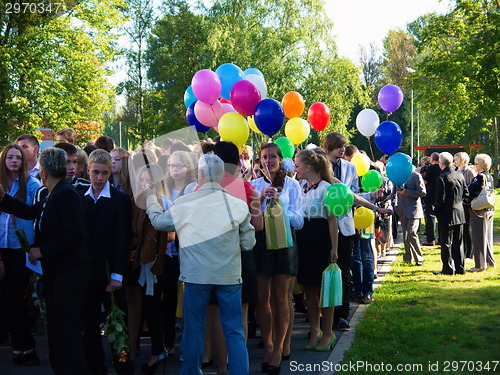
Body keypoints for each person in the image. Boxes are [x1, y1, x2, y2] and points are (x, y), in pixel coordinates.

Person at [145, 154, 255, 375]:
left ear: (200, 174)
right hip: (229, 276)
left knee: (194, 330)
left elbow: (159, 222)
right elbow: (248, 242)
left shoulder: (185, 203)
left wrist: (150, 199)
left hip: (196, 276)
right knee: (234, 331)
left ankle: (191, 371)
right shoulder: (237, 205)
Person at [0, 147, 90, 374]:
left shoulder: (65, 193)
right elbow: (32, 212)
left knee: (66, 328)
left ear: (44, 172)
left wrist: (42, 251)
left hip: (69, 273)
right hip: (57, 272)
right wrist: (3, 199)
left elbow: (74, 234)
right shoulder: (52, 193)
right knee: (58, 326)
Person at [250, 142, 303, 373]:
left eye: (272, 157)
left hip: (284, 242)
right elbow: (248, 220)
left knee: (281, 298)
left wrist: (279, 204)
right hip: (261, 244)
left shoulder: (292, 185)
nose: (268, 161)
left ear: (280, 159)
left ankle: (279, 348)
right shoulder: (253, 185)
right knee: (262, 298)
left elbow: (299, 220)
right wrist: (260, 199)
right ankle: (268, 343)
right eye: (264, 157)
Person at [321, 133, 381, 331]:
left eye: (344, 146)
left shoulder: (350, 168)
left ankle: (342, 314)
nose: (343, 150)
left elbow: (353, 195)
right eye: (339, 146)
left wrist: (370, 196)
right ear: (330, 147)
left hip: (345, 226)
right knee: (324, 272)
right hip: (323, 225)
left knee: (344, 271)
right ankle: (324, 314)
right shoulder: (320, 166)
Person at [81, 149, 131, 375]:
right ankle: (95, 367)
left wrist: (118, 274)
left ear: (111, 173)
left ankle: (122, 365)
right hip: (87, 272)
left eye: (103, 173)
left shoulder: (120, 200)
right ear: (88, 171)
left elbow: (123, 239)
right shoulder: (80, 196)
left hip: (111, 271)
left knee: (117, 323)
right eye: (95, 172)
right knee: (89, 323)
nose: (99, 178)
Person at [0, 143, 42, 365]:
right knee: (7, 299)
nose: (14, 160)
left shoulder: (32, 185)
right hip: (2, 248)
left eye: (18, 157)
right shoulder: (1, 184)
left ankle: (25, 346)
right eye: (10, 157)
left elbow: (34, 214)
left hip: (21, 249)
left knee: (16, 298)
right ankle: (20, 347)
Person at [294, 149, 338, 351]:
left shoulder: (326, 188)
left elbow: (331, 219)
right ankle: (314, 330)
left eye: (298, 165)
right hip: (303, 239)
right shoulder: (301, 186)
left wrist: (334, 247)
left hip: (320, 238)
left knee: (323, 289)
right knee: (308, 289)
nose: (295, 169)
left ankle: (328, 332)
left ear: (308, 166)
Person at [132, 164, 172, 373]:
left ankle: (158, 351)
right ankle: (139, 349)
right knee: (141, 308)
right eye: (142, 180)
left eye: (150, 181)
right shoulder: (135, 202)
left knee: (154, 308)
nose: (146, 185)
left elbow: (171, 234)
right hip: (138, 263)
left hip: (158, 263)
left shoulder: (164, 202)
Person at [433, 152, 468, 275]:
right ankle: (460, 268)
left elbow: (440, 199)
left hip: (446, 213)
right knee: (459, 242)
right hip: (459, 212)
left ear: (440, 163)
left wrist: (436, 211)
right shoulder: (459, 175)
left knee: (446, 243)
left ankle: (447, 269)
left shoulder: (442, 178)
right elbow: (466, 194)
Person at [465, 154, 495, 272]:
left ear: (480, 164)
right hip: (489, 208)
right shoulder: (490, 176)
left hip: (479, 209)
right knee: (488, 237)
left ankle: (480, 265)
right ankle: (490, 261)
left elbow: (470, 190)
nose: (474, 165)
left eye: (476, 163)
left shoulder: (479, 177)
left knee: (478, 237)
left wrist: (465, 201)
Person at [393, 169, 426, 265]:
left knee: (412, 232)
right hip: (402, 210)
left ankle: (419, 258)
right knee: (406, 234)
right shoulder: (397, 176)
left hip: (413, 210)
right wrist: (395, 206)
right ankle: (408, 257)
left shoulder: (416, 176)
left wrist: (407, 192)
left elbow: (422, 192)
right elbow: (394, 192)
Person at [454, 152, 476, 259]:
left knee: (467, 228)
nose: (455, 162)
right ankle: (463, 250)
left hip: (467, 204)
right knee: (462, 228)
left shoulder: (470, 172)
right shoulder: (457, 171)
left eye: (457, 160)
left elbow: (473, 188)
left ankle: (469, 253)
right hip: (459, 203)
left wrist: (466, 199)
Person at [422, 152, 441, 246]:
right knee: (441, 218)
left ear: (432, 159)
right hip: (440, 195)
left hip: (430, 194)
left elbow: (425, 181)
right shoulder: (442, 168)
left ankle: (430, 239)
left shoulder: (431, 168)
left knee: (430, 218)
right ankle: (441, 238)